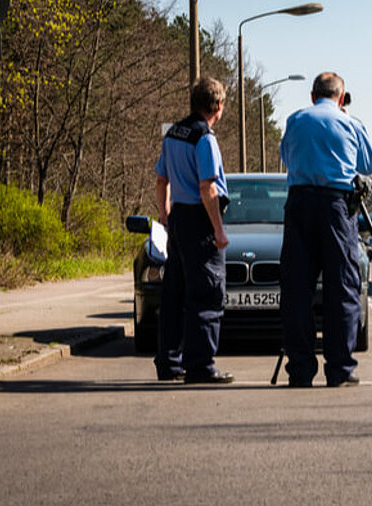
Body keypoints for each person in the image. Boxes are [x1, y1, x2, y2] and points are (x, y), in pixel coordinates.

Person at [279, 72, 372, 388]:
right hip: (336, 206)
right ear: (341, 95)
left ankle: (300, 369)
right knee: (342, 287)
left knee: (297, 289)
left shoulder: (295, 120)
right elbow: (368, 164)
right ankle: (339, 368)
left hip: (299, 204)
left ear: (312, 96)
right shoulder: (350, 123)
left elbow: (285, 156)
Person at [153, 76, 234, 384]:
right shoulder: (204, 138)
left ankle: (169, 363)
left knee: (174, 295)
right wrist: (218, 230)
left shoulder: (174, 133)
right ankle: (200, 366)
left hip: (177, 221)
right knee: (206, 295)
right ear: (218, 105)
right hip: (200, 221)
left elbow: (162, 180)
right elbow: (207, 186)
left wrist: (164, 213)